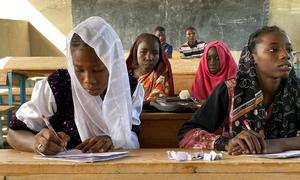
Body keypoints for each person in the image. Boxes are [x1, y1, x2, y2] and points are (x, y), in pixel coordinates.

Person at [7, 16, 144, 155]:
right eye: (79, 70)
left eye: (98, 70)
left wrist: (112, 141)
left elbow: (132, 135)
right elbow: (13, 133)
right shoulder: (58, 87)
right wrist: (36, 143)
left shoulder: (130, 89)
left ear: (113, 63)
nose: (88, 80)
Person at [178, 26, 300, 155]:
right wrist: (226, 143)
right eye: (273, 49)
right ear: (253, 57)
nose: (286, 55)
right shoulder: (230, 90)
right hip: (237, 169)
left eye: (289, 50)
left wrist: (277, 144)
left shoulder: (296, 90)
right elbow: (186, 134)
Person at [126, 33, 174, 102]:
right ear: (135, 52)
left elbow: (157, 100)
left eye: (155, 53)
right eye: (143, 52)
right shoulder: (126, 74)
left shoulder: (161, 73)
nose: (149, 57)